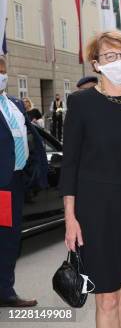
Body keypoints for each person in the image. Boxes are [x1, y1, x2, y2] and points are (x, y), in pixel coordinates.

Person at [61, 31, 121, 328]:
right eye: (110, 56)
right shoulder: (80, 103)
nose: (118, 62)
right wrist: (70, 218)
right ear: (96, 64)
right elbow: (70, 164)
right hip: (95, 207)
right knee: (107, 296)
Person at [0, 55, 48, 308]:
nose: (1, 74)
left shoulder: (16, 104)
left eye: (2, 69)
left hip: (13, 183)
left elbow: (31, 138)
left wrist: (35, 171)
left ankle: (5, 291)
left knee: (9, 238)